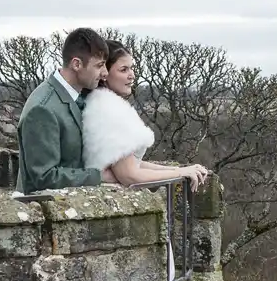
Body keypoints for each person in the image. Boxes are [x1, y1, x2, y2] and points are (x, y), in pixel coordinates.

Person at [84, 45, 210, 188]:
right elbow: (129, 175)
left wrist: (177, 170)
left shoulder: (99, 103)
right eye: (123, 70)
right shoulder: (111, 110)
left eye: (131, 68)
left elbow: (130, 163)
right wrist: (180, 173)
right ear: (104, 73)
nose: (131, 75)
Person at [17, 28, 110, 192]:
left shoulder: (79, 96)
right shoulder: (42, 109)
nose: (105, 73)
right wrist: (98, 176)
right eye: (99, 65)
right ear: (77, 64)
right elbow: (44, 177)